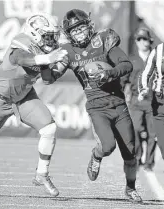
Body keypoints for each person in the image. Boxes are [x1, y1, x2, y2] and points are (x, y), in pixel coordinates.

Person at [0, 13, 68, 197]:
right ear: (34, 33)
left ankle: (42, 173)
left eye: (53, 35)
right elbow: (21, 59)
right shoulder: (22, 41)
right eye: (47, 35)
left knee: (49, 128)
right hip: (0, 96)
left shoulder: (46, 51)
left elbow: (48, 79)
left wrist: (61, 68)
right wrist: (49, 59)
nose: (51, 39)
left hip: (24, 96)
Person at [42, 9, 142, 203]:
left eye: (81, 28)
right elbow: (48, 79)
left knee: (130, 154)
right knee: (107, 146)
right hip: (97, 107)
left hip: (119, 104)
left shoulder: (103, 40)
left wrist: (110, 73)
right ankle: (96, 156)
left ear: (89, 26)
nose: (79, 33)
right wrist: (45, 61)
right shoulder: (68, 52)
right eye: (74, 30)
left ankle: (130, 189)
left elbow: (126, 64)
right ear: (68, 33)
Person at [124, 28, 156, 171]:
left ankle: (149, 161)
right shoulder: (131, 59)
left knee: (153, 133)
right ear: (136, 42)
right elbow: (124, 80)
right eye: (139, 39)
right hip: (136, 100)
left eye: (144, 38)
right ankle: (138, 157)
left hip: (154, 101)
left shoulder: (158, 58)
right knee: (135, 129)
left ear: (150, 40)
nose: (142, 42)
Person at [138, 42, 164, 160]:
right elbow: (145, 73)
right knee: (162, 143)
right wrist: (143, 88)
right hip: (160, 102)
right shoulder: (158, 50)